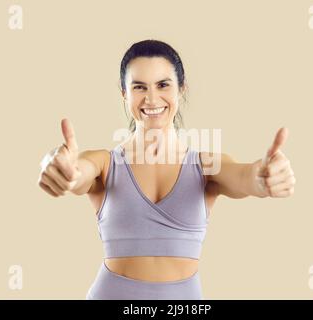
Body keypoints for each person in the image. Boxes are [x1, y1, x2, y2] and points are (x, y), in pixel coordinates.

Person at [37, 39, 296, 300]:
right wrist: (56, 165)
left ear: (181, 89)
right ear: (125, 94)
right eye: (139, 87)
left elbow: (244, 177)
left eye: (163, 85)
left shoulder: (206, 166)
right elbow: (77, 171)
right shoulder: (105, 163)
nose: (151, 98)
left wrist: (263, 178)